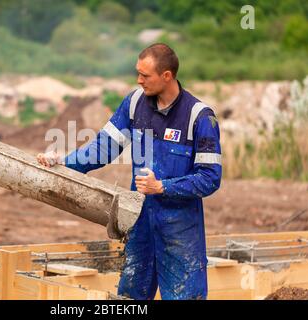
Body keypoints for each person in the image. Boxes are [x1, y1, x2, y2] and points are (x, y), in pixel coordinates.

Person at [37, 43, 222, 300]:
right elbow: (103, 148)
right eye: (138, 73)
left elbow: (210, 178)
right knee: (129, 299)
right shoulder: (135, 103)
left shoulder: (199, 117)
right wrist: (64, 162)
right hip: (141, 220)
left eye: (145, 76)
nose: (139, 80)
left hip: (180, 230)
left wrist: (163, 187)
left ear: (166, 76)